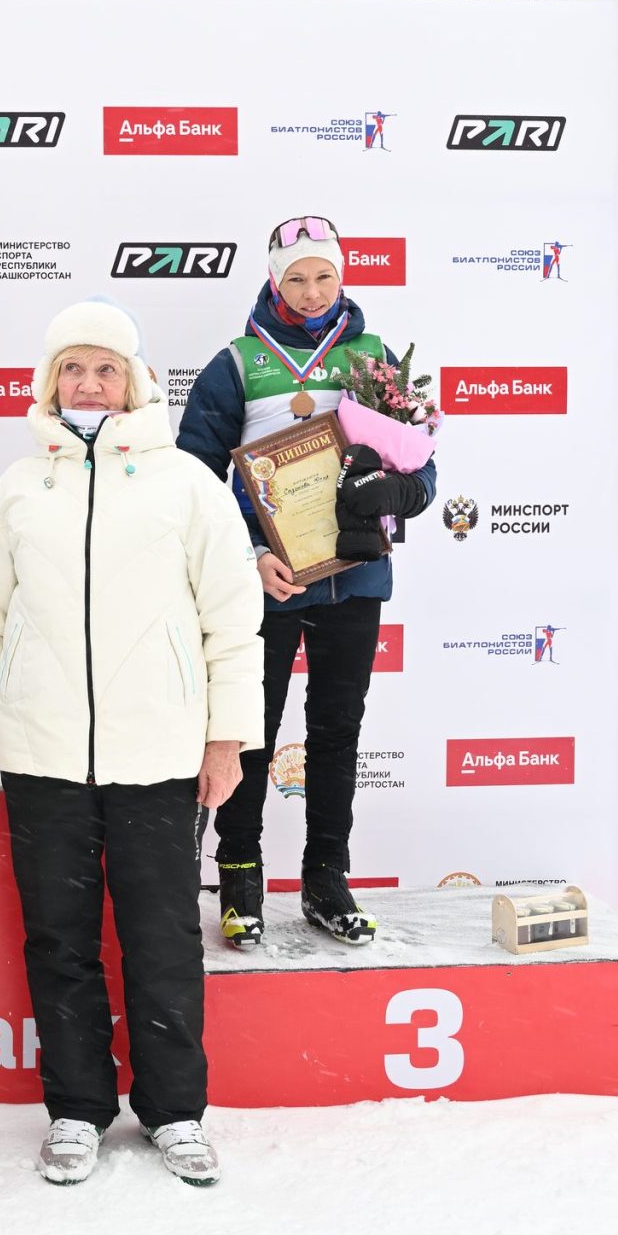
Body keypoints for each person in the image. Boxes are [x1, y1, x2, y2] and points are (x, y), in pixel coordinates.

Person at [0, 300, 262, 1188]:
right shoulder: (18, 488)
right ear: (50, 381)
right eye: (73, 368)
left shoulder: (186, 484)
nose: (89, 384)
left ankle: (175, 1110)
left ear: (135, 382)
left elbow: (232, 623)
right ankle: (77, 1109)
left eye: (106, 368)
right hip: (40, 753)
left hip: (158, 754)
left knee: (163, 939)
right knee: (59, 940)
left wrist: (226, 739)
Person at [174, 216, 437, 947]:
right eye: (296, 277)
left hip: (354, 577)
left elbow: (422, 463)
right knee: (249, 733)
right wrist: (250, 553)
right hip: (267, 581)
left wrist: (404, 492)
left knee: (337, 731)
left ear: (342, 276)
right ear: (273, 280)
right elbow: (191, 485)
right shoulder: (237, 363)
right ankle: (239, 875)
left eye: (324, 275)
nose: (312, 291)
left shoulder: (373, 358)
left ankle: (326, 878)